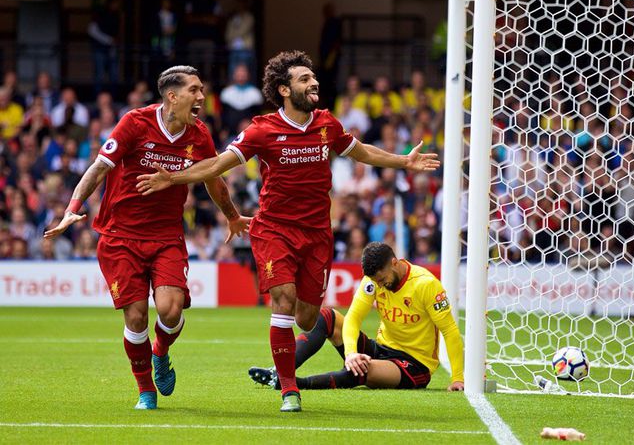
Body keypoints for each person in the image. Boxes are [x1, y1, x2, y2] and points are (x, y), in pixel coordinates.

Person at [135, 50, 440, 412]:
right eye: (304, 79)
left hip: (316, 235)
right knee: (282, 297)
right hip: (274, 230)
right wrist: (174, 177)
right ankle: (289, 391)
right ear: (283, 89)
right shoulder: (261, 130)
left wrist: (403, 160)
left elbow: (362, 153)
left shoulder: (327, 124)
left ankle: (288, 372)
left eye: (314, 78)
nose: (314, 84)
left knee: (307, 317)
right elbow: (218, 164)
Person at [44, 66, 251, 410]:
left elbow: (213, 179)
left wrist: (231, 216)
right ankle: (145, 390)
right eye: (195, 90)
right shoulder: (134, 123)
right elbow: (98, 167)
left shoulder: (199, 135)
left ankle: (161, 352)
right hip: (120, 236)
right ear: (172, 96)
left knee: (170, 311)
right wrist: (72, 208)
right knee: (137, 316)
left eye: (202, 90)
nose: (202, 97)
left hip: (166, 235)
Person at [248, 242, 464, 392]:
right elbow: (352, 318)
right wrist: (351, 353)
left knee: (362, 370)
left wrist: (457, 379)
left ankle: (294, 384)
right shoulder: (372, 281)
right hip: (381, 348)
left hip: (413, 364)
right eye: (375, 281)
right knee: (327, 316)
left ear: (394, 263)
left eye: (382, 279)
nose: (379, 286)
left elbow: (450, 330)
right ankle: (281, 371)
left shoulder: (426, 284)